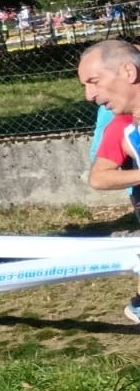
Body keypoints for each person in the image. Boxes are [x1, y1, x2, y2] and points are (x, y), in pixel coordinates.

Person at [79, 38, 140, 323]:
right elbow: (98, 177)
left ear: (128, 72)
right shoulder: (121, 127)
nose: (89, 95)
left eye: (94, 81)